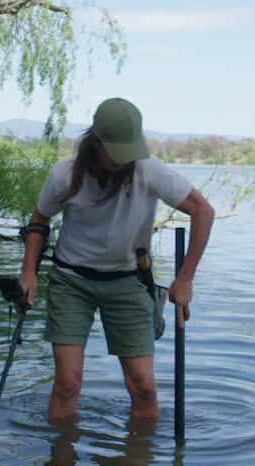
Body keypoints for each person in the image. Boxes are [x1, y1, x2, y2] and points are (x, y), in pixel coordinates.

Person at [18, 98, 215, 420]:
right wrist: (28, 273)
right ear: (95, 144)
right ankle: (60, 464)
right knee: (68, 382)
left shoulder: (149, 171)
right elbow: (38, 222)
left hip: (129, 281)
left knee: (144, 386)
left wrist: (184, 279)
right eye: (116, 154)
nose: (124, 162)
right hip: (71, 282)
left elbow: (203, 211)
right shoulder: (64, 175)